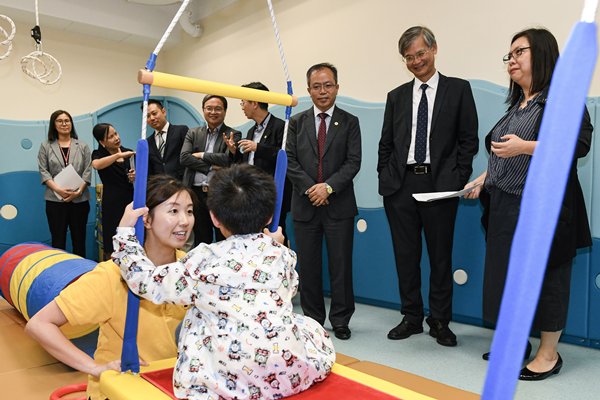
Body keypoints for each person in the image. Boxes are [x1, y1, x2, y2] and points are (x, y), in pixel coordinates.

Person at [113, 164, 335, 400]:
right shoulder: (282, 254)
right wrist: (275, 245)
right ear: (269, 216)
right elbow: (290, 288)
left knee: (197, 316)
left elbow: (145, 281)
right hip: (286, 375)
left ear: (215, 218)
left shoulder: (204, 259)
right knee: (307, 326)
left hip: (226, 381)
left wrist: (125, 232)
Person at [464, 28, 592, 380]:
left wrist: (525, 147)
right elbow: (503, 156)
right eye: (509, 55)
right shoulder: (516, 107)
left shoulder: (562, 99)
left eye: (520, 51)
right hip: (506, 209)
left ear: (543, 53)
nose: (512, 60)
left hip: (543, 212)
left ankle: (548, 354)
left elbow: (576, 145)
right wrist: (483, 178)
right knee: (509, 280)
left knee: (549, 280)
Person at [25, 175, 193, 400]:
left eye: (189, 211)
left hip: (169, 386)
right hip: (120, 391)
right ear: (146, 219)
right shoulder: (110, 275)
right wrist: (94, 368)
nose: (185, 221)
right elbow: (39, 324)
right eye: (173, 211)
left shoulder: (190, 268)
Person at [377, 26, 479, 347]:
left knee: (440, 257)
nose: (416, 61)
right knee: (405, 257)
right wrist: (385, 176)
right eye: (409, 57)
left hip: (440, 185)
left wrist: (457, 178)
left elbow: (469, 139)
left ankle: (440, 320)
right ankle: (411, 317)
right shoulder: (396, 96)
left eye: (420, 53)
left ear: (434, 49)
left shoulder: (458, 89)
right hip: (400, 186)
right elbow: (386, 143)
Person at [286, 63, 362, 340]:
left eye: (328, 85)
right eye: (316, 86)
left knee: (341, 266)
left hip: (339, 205)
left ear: (337, 88)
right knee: (308, 266)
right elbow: (290, 160)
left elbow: (353, 161)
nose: (322, 91)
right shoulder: (296, 122)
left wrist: (328, 188)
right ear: (309, 90)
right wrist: (312, 189)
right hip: (305, 205)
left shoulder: (350, 121)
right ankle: (313, 319)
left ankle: (341, 320)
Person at [225, 81, 292, 242]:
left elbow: (286, 156)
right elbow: (248, 162)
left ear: (254, 103)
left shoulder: (281, 127)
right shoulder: (251, 130)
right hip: (252, 195)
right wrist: (234, 151)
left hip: (273, 194)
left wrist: (258, 147)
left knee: (274, 235)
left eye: (243, 102)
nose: (242, 106)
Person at [180, 94, 241, 246]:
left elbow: (227, 160)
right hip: (196, 194)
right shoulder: (193, 133)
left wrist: (202, 155)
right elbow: (184, 158)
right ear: (203, 110)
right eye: (209, 108)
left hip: (220, 194)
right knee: (201, 239)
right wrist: (210, 167)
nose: (213, 112)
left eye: (218, 109)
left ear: (225, 111)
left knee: (224, 237)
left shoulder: (233, 134)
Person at [37, 110, 92, 258]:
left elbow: (87, 170)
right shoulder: (46, 146)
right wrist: (59, 190)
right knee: (58, 240)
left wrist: (78, 192)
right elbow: (43, 171)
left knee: (79, 240)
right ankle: (58, 269)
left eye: (67, 120)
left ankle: (81, 269)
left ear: (71, 123)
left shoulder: (82, 145)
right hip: (55, 200)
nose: (64, 124)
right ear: (54, 125)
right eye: (60, 121)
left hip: (79, 199)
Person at [91, 123, 135, 260]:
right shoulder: (98, 154)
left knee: (132, 237)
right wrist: (118, 156)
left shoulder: (128, 152)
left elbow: (141, 174)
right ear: (102, 142)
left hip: (130, 200)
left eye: (116, 133)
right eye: (111, 137)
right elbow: (96, 165)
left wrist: (135, 176)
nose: (116, 138)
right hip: (112, 203)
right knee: (112, 241)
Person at [145, 99, 189, 180]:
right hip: (160, 185)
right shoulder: (147, 142)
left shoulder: (181, 131)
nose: (152, 118)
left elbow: (189, 157)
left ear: (163, 112)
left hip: (181, 183)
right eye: (147, 116)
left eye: (154, 113)